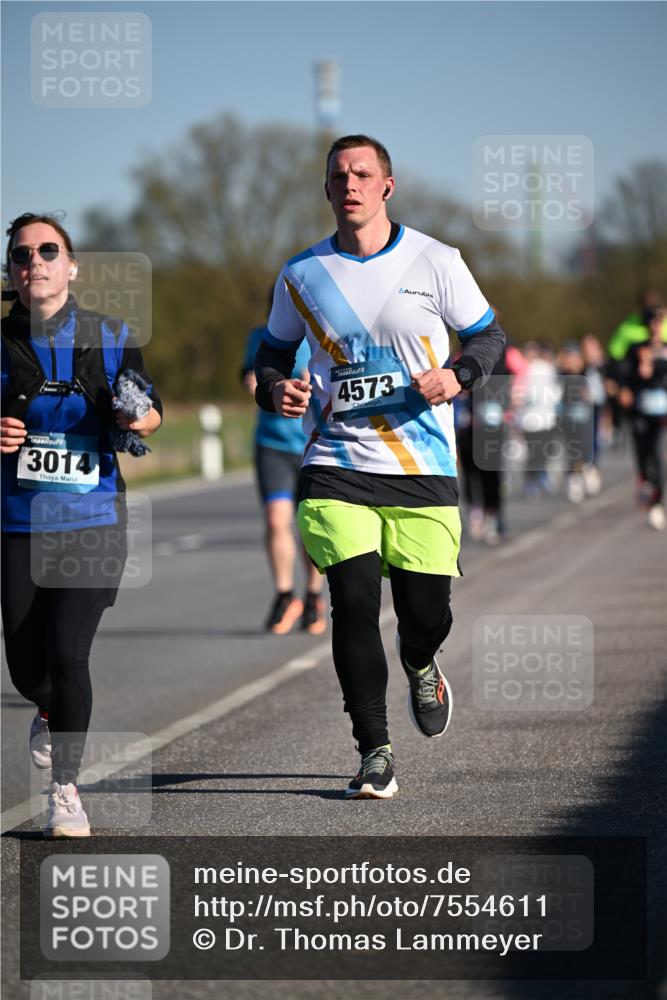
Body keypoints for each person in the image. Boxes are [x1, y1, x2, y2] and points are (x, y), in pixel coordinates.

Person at [254, 135, 505, 799]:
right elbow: (272, 357)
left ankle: (421, 662)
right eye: (338, 176)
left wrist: (459, 375)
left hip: (421, 465)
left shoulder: (435, 260)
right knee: (354, 601)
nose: (350, 184)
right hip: (335, 463)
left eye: (363, 174)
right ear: (326, 189)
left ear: (386, 187)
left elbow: (488, 336)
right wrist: (275, 389)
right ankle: (373, 749)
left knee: (425, 615)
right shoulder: (301, 273)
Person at [1, 213, 163, 836]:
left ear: (71, 266)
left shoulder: (109, 336)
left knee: (70, 650)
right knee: (25, 664)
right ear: (11, 274)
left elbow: (149, 412)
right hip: (17, 522)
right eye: (21, 254)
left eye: (48, 250)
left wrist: (136, 419)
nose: (34, 261)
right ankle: (44, 707)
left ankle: (65, 788)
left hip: (93, 517)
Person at [241, 293, 326, 635]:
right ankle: (284, 594)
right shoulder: (259, 337)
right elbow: (250, 371)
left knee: (308, 526)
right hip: (271, 443)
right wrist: (252, 381)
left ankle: (313, 597)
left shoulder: (319, 338)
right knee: (277, 521)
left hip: (312, 442)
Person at [618, 307, 667, 531]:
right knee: (641, 450)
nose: (655, 327)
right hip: (640, 409)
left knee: (658, 455)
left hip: (661, 411)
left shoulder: (664, 350)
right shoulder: (636, 349)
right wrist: (625, 388)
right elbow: (623, 373)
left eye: (659, 322)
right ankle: (645, 481)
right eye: (652, 323)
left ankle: (657, 500)